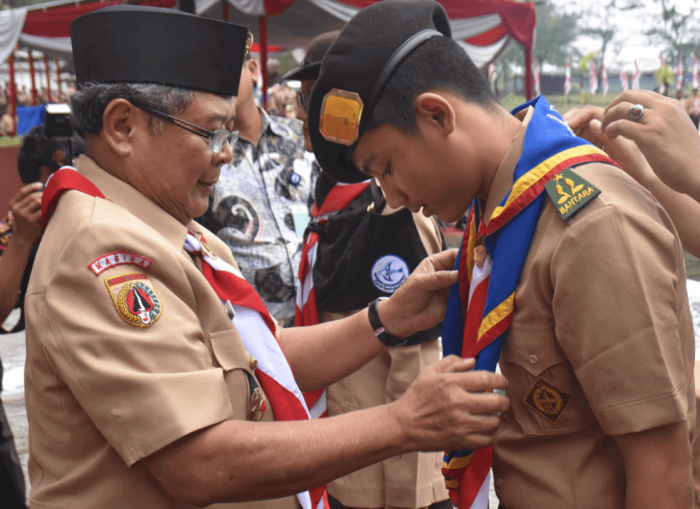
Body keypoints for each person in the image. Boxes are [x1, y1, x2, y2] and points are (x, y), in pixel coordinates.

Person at [24, 6, 510, 508]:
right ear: (123, 127)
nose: (227, 154)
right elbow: (201, 461)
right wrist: (404, 422)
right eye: (211, 132)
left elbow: (264, 360)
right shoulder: (99, 250)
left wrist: (389, 318)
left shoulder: (170, 229)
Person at [306, 1, 696, 508]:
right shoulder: (498, 216)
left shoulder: (590, 226)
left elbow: (661, 470)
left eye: (386, 167)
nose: (393, 197)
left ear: (436, 114)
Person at [287, 31, 450, 509]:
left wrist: (407, 493)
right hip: (342, 459)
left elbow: (414, 358)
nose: (299, 113)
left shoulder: (394, 202)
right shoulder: (332, 193)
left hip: (386, 480)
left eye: (309, 98)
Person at [198, 52, 315, 327]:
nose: (218, 84)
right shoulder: (209, 155)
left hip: (318, 309)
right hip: (252, 326)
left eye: (225, 70)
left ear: (252, 69)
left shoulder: (301, 136)